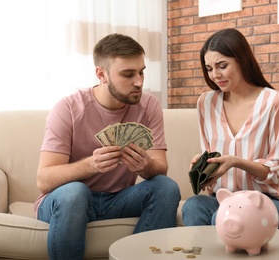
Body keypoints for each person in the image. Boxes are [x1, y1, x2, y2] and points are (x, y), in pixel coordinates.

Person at [34, 33, 180, 259]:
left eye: (141, 72)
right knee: (75, 192)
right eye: (128, 74)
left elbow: (160, 167)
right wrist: (91, 165)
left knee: (165, 186)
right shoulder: (68, 108)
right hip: (65, 201)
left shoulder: (148, 105)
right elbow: (44, 180)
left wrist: (144, 167)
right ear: (101, 74)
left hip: (117, 199)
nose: (139, 82)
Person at [182, 28, 279, 230]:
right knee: (192, 207)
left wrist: (236, 162)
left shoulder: (274, 101)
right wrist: (203, 168)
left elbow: (278, 169)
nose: (215, 75)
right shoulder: (206, 103)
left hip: (268, 202)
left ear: (242, 60)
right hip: (223, 199)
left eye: (222, 66)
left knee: (223, 217)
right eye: (209, 68)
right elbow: (209, 154)